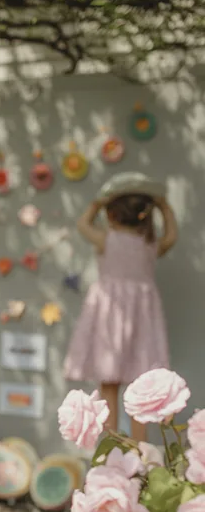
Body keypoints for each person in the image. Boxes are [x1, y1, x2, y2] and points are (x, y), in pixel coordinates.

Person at [63, 175, 177, 440]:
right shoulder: (150, 245)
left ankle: (111, 445)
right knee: (141, 386)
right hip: (142, 320)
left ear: (111, 214)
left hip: (110, 321)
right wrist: (164, 207)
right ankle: (141, 448)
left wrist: (97, 202)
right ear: (145, 217)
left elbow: (82, 224)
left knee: (109, 385)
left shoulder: (107, 239)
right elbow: (171, 236)